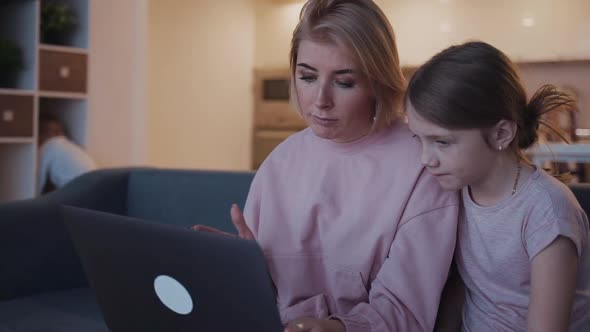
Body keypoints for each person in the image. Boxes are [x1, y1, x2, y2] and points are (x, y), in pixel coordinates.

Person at [194, 1, 459, 331]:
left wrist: (336, 328)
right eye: (307, 77)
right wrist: (246, 273)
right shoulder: (280, 163)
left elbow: (405, 311)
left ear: (379, 82)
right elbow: (268, 299)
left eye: (344, 82)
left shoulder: (423, 166)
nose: (320, 100)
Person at [405, 41, 590, 331]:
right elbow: (461, 289)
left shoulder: (547, 211)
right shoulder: (457, 191)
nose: (426, 159)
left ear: (502, 133)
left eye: (441, 142)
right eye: (419, 139)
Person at [37, 112, 97, 194]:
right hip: (95, 188)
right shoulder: (72, 146)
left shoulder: (48, 147)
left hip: (80, 194)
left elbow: (38, 182)